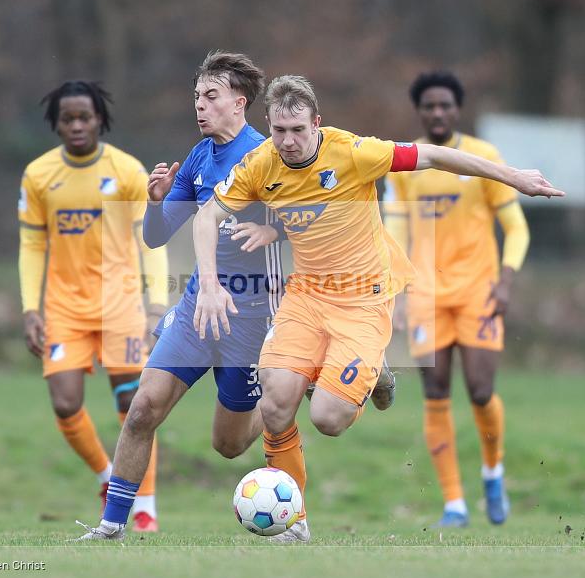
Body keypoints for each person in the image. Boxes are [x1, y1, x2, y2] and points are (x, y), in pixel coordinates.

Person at [192, 75, 562, 543]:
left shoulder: (353, 153)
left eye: (298, 130)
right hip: (305, 298)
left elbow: (433, 155)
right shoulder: (259, 164)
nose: (287, 141)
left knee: (327, 419)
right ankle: (296, 522)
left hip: (362, 301)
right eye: (279, 130)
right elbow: (209, 216)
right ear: (268, 125)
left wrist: (515, 177)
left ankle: (371, 375)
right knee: (276, 402)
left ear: (317, 124)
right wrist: (209, 283)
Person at [74, 51, 288, 542]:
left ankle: (288, 391)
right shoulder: (197, 157)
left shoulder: (268, 156)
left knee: (228, 445)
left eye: (211, 97)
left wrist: (271, 228)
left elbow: (304, 224)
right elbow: (155, 236)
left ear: (239, 103)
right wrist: (155, 201)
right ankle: (112, 526)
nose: (200, 106)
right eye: (196, 97)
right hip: (197, 308)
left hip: (251, 318)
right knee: (143, 406)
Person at [18, 80, 168, 532]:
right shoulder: (39, 175)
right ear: (57, 124)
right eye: (69, 119)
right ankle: (109, 478)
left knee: (135, 405)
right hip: (63, 308)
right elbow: (31, 243)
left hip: (120, 305)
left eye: (85, 117)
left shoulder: (126, 170)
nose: (78, 125)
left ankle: (144, 507)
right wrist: (30, 308)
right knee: (65, 404)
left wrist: (157, 303)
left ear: (100, 119)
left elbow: (152, 238)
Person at [384, 71, 530, 528]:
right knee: (435, 392)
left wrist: (506, 281)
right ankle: (454, 503)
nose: (438, 112)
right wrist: (400, 292)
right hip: (426, 295)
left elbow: (517, 227)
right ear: (420, 112)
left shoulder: (483, 158)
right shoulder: (407, 163)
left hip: (477, 292)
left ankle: (493, 471)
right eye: (429, 106)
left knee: (482, 390)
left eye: (445, 105)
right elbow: (397, 230)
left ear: (458, 109)